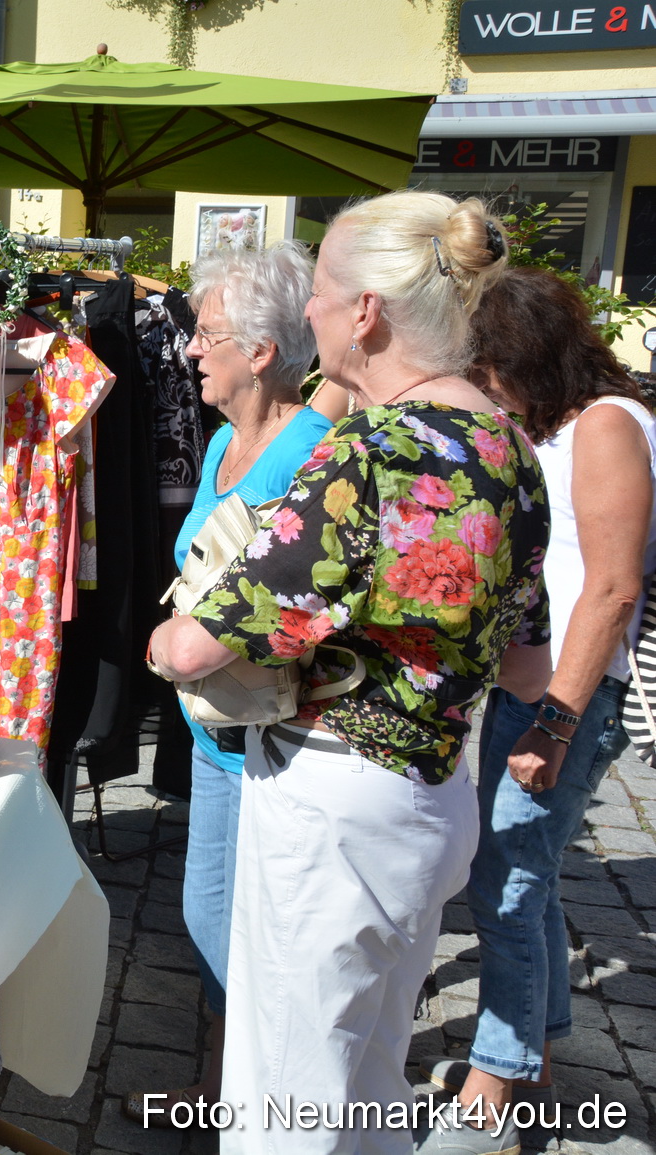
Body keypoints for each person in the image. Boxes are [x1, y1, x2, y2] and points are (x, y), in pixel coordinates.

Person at [148, 191, 551, 1154]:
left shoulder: (366, 456)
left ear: (364, 310)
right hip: (435, 796)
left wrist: (165, 641)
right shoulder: (510, 450)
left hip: (332, 806)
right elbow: (531, 669)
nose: (313, 315)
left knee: (284, 1104)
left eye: (322, 293)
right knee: (365, 1075)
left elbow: (201, 644)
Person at [410, 268, 656, 1155]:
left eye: (489, 373)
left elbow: (613, 589)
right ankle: (540, 1053)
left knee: (506, 880)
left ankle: (497, 1084)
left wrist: (555, 721)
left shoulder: (608, 427)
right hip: (545, 690)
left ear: (527, 361)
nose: (484, 392)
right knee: (528, 868)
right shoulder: (585, 423)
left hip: (570, 697)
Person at [126, 241, 332, 1126]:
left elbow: (301, 606)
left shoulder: (313, 454)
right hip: (214, 730)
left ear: (260, 351)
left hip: (278, 742)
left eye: (206, 334)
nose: (188, 350)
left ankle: (255, 1099)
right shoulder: (219, 445)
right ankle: (219, 1090)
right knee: (209, 915)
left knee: (260, 932)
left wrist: (187, 646)